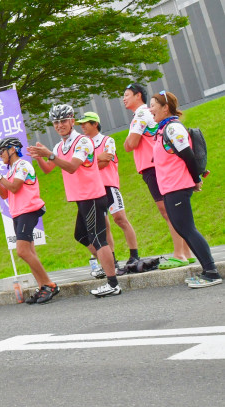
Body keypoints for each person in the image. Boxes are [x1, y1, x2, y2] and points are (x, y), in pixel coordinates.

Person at [28, 105, 121, 297]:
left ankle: (113, 282)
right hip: (81, 197)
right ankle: (108, 265)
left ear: (72, 121)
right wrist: (39, 157)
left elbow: (71, 167)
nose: (60, 125)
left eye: (63, 121)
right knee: (81, 235)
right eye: (56, 122)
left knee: (98, 238)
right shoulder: (59, 146)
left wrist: (50, 155)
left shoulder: (83, 142)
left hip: (93, 195)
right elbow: (47, 169)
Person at [149, 91, 222, 288]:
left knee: (187, 228)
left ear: (165, 107)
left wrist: (195, 178)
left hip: (177, 186)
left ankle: (212, 272)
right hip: (170, 187)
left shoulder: (173, 129)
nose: (150, 109)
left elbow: (188, 155)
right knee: (183, 228)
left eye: (153, 105)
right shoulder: (163, 129)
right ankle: (207, 270)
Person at [122, 83, 193, 268]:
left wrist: (128, 141)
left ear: (138, 96)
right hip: (154, 166)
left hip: (151, 166)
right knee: (173, 212)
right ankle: (186, 252)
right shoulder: (145, 114)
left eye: (127, 94)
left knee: (168, 212)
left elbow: (130, 143)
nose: (124, 98)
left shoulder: (141, 113)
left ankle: (179, 254)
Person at [0, 137, 59, 304]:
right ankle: (42, 287)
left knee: (22, 252)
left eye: (1, 151)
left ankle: (50, 284)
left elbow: (15, 187)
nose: (0, 155)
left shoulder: (22, 165)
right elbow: (4, 194)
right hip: (18, 212)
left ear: (12, 150)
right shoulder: (11, 170)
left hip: (28, 210)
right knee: (30, 252)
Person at [77, 111, 141, 276]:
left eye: (85, 123)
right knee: (104, 226)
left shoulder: (108, 140)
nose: (82, 126)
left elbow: (104, 163)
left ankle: (134, 255)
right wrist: (95, 160)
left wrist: (89, 162)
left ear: (95, 124)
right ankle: (112, 261)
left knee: (121, 219)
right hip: (94, 189)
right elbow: (80, 166)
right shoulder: (83, 145)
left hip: (110, 186)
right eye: (81, 124)